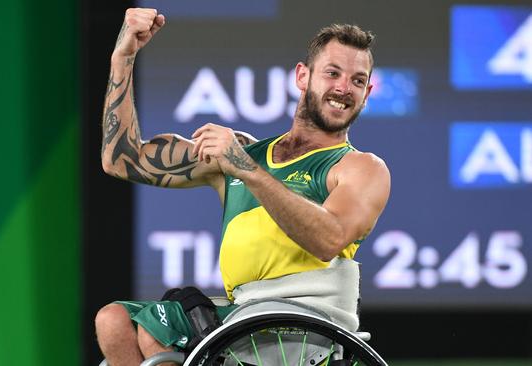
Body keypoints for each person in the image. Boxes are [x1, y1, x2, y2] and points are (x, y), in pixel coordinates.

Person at [96, 7, 390, 366]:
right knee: (113, 322)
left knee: (155, 333)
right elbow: (120, 160)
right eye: (333, 73)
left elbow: (328, 239)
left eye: (358, 81)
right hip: (243, 317)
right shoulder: (245, 153)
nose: (344, 88)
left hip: (303, 330)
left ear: (368, 92)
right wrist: (123, 56)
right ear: (302, 76)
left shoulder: (361, 168)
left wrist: (244, 167)